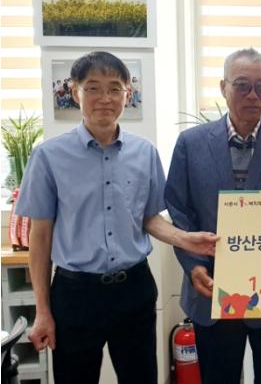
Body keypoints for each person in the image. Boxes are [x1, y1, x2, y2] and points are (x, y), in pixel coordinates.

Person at [15, 51, 218, 384]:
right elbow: (40, 236)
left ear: (128, 93)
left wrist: (186, 239)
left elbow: (149, 218)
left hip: (134, 289)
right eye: (93, 88)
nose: (105, 98)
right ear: (75, 91)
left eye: (114, 88)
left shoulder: (144, 152)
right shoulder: (48, 156)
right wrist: (42, 310)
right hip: (75, 293)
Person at [164, 47, 261, 384]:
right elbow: (179, 212)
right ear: (223, 87)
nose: (253, 95)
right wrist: (194, 267)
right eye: (243, 85)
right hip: (211, 288)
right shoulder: (190, 143)